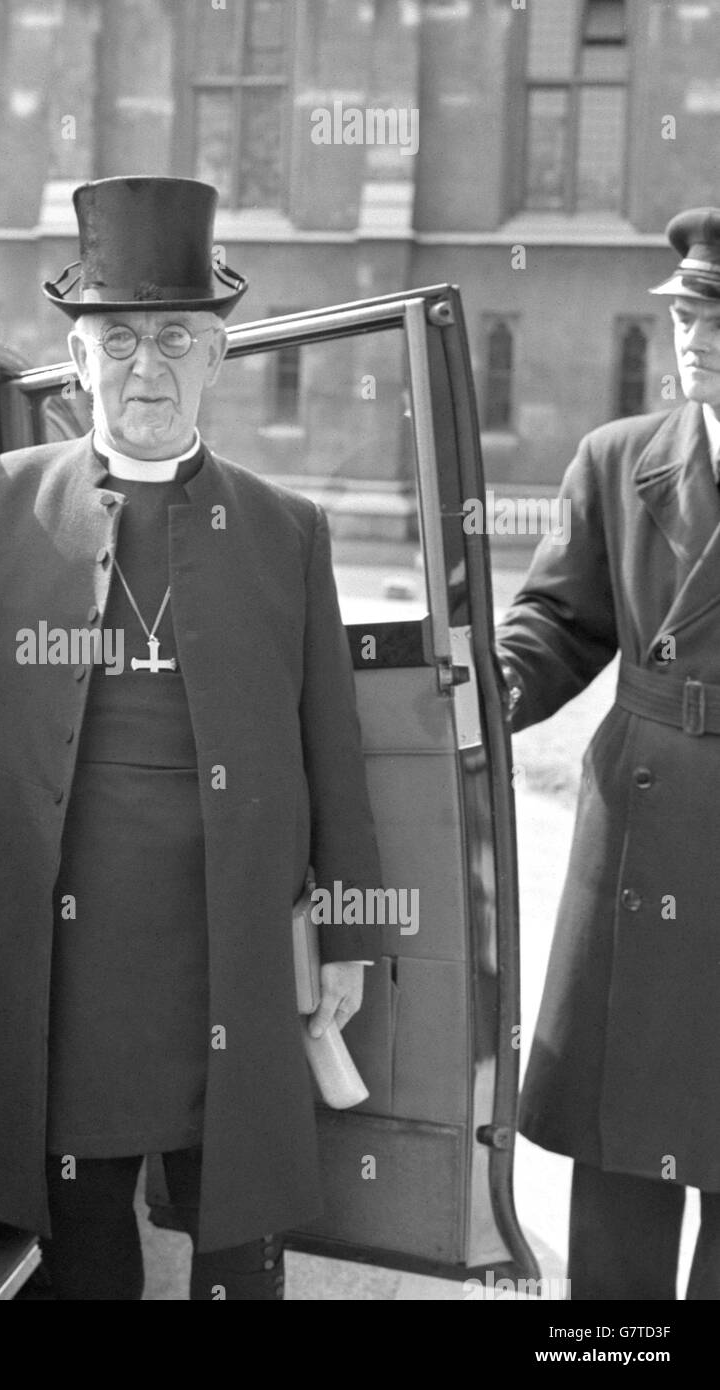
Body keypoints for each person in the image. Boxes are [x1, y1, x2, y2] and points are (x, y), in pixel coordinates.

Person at [0, 176, 386, 1300]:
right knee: (76, 1213)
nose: (149, 369)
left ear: (220, 356)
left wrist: (343, 930)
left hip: (227, 935)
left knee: (236, 1224)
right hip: (63, 937)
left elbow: (330, 744)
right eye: (121, 340)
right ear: (78, 356)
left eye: (178, 340)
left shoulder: (286, 531)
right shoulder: (0, 501)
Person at [496, 207, 720, 1300]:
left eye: (718, 316)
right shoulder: (616, 460)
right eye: (685, 310)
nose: (695, 336)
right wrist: (494, 683)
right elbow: (556, 622)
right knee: (621, 1166)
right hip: (640, 845)